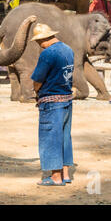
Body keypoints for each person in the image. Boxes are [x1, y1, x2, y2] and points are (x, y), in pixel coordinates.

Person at [30, 23, 74, 186]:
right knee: (64, 137)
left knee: (50, 137)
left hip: (51, 102)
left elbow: (37, 80)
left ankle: (55, 177)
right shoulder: (68, 49)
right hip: (67, 100)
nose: (38, 45)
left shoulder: (48, 54)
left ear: (43, 39)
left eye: (38, 41)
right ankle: (66, 174)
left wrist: (36, 93)